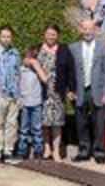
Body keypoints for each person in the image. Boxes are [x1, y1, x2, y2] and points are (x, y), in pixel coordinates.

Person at [68, 18, 105, 164]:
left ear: (95, 30)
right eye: (85, 29)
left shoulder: (103, 47)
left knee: (98, 123)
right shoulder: (73, 48)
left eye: (90, 29)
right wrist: (70, 90)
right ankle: (84, 150)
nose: (87, 32)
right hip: (80, 91)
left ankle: (99, 151)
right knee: (81, 123)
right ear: (80, 30)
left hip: (97, 91)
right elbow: (70, 72)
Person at [38, 24, 75, 161]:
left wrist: (71, 89)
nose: (51, 36)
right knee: (44, 121)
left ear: (57, 35)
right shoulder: (37, 49)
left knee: (57, 122)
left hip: (58, 91)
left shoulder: (64, 49)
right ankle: (47, 147)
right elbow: (26, 61)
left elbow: (71, 71)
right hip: (41, 91)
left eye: (53, 34)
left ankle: (56, 150)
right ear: (44, 34)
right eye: (48, 34)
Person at [0, 26, 21, 163]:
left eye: (8, 36)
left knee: (12, 123)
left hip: (13, 93)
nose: (6, 39)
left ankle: (8, 149)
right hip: (0, 92)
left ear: (12, 37)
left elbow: (17, 73)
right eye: (3, 36)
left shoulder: (15, 53)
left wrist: (18, 92)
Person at [12, 47, 47, 161]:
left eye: (32, 57)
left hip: (36, 102)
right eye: (27, 57)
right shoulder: (21, 69)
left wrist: (36, 66)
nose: (29, 60)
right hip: (25, 103)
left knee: (37, 129)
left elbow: (45, 79)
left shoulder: (38, 70)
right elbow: (17, 84)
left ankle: (38, 152)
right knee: (23, 129)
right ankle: (22, 151)